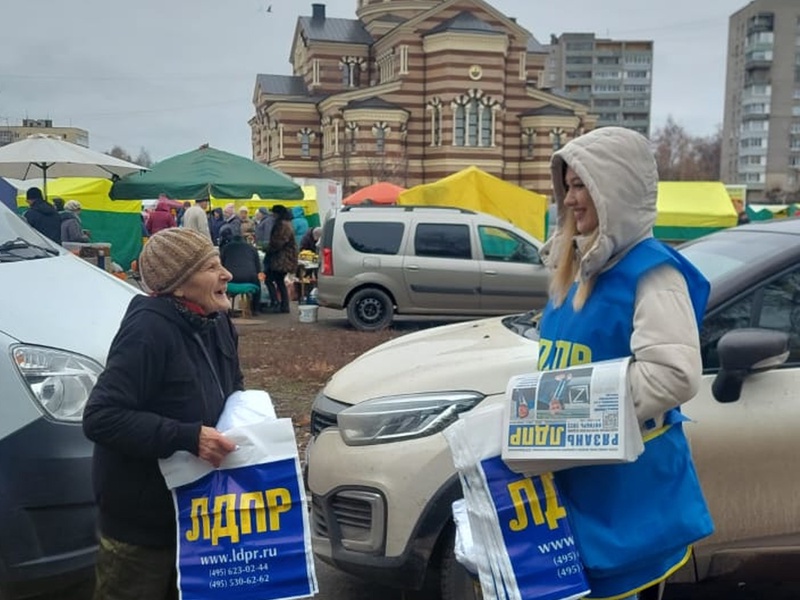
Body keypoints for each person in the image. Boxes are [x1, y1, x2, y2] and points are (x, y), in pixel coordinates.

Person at [538, 127, 711, 600]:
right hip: (581, 488)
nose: (571, 199)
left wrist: (562, 411)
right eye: (567, 185)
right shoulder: (573, 267)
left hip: (628, 501)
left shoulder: (652, 271)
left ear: (615, 188)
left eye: (582, 186)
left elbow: (672, 374)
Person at [83, 228, 242, 600]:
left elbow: (233, 389)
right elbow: (101, 417)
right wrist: (189, 436)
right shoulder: (147, 330)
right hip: (141, 527)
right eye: (212, 267)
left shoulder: (216, 323)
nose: (227, 275)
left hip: (199, 516)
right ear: (179, 286)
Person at [265, 205, 297, 313]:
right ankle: (282, 305)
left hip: (281, 259)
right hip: (283, 258)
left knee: (270, 280)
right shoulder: (286, 223)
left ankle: (278, 304)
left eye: (273, 213)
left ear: (278, 214)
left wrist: (268, 248)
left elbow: (279, 242)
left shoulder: (283, 225)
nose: (272, 215)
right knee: (279, 281)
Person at [220, 231, 263, 314]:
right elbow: (258, 268)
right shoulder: (251, 248)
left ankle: (223, 309)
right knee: (257, 282)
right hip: (249, 278)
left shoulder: (226, 248)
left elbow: (221, 265)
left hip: (231, 278)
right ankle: (256, 309)